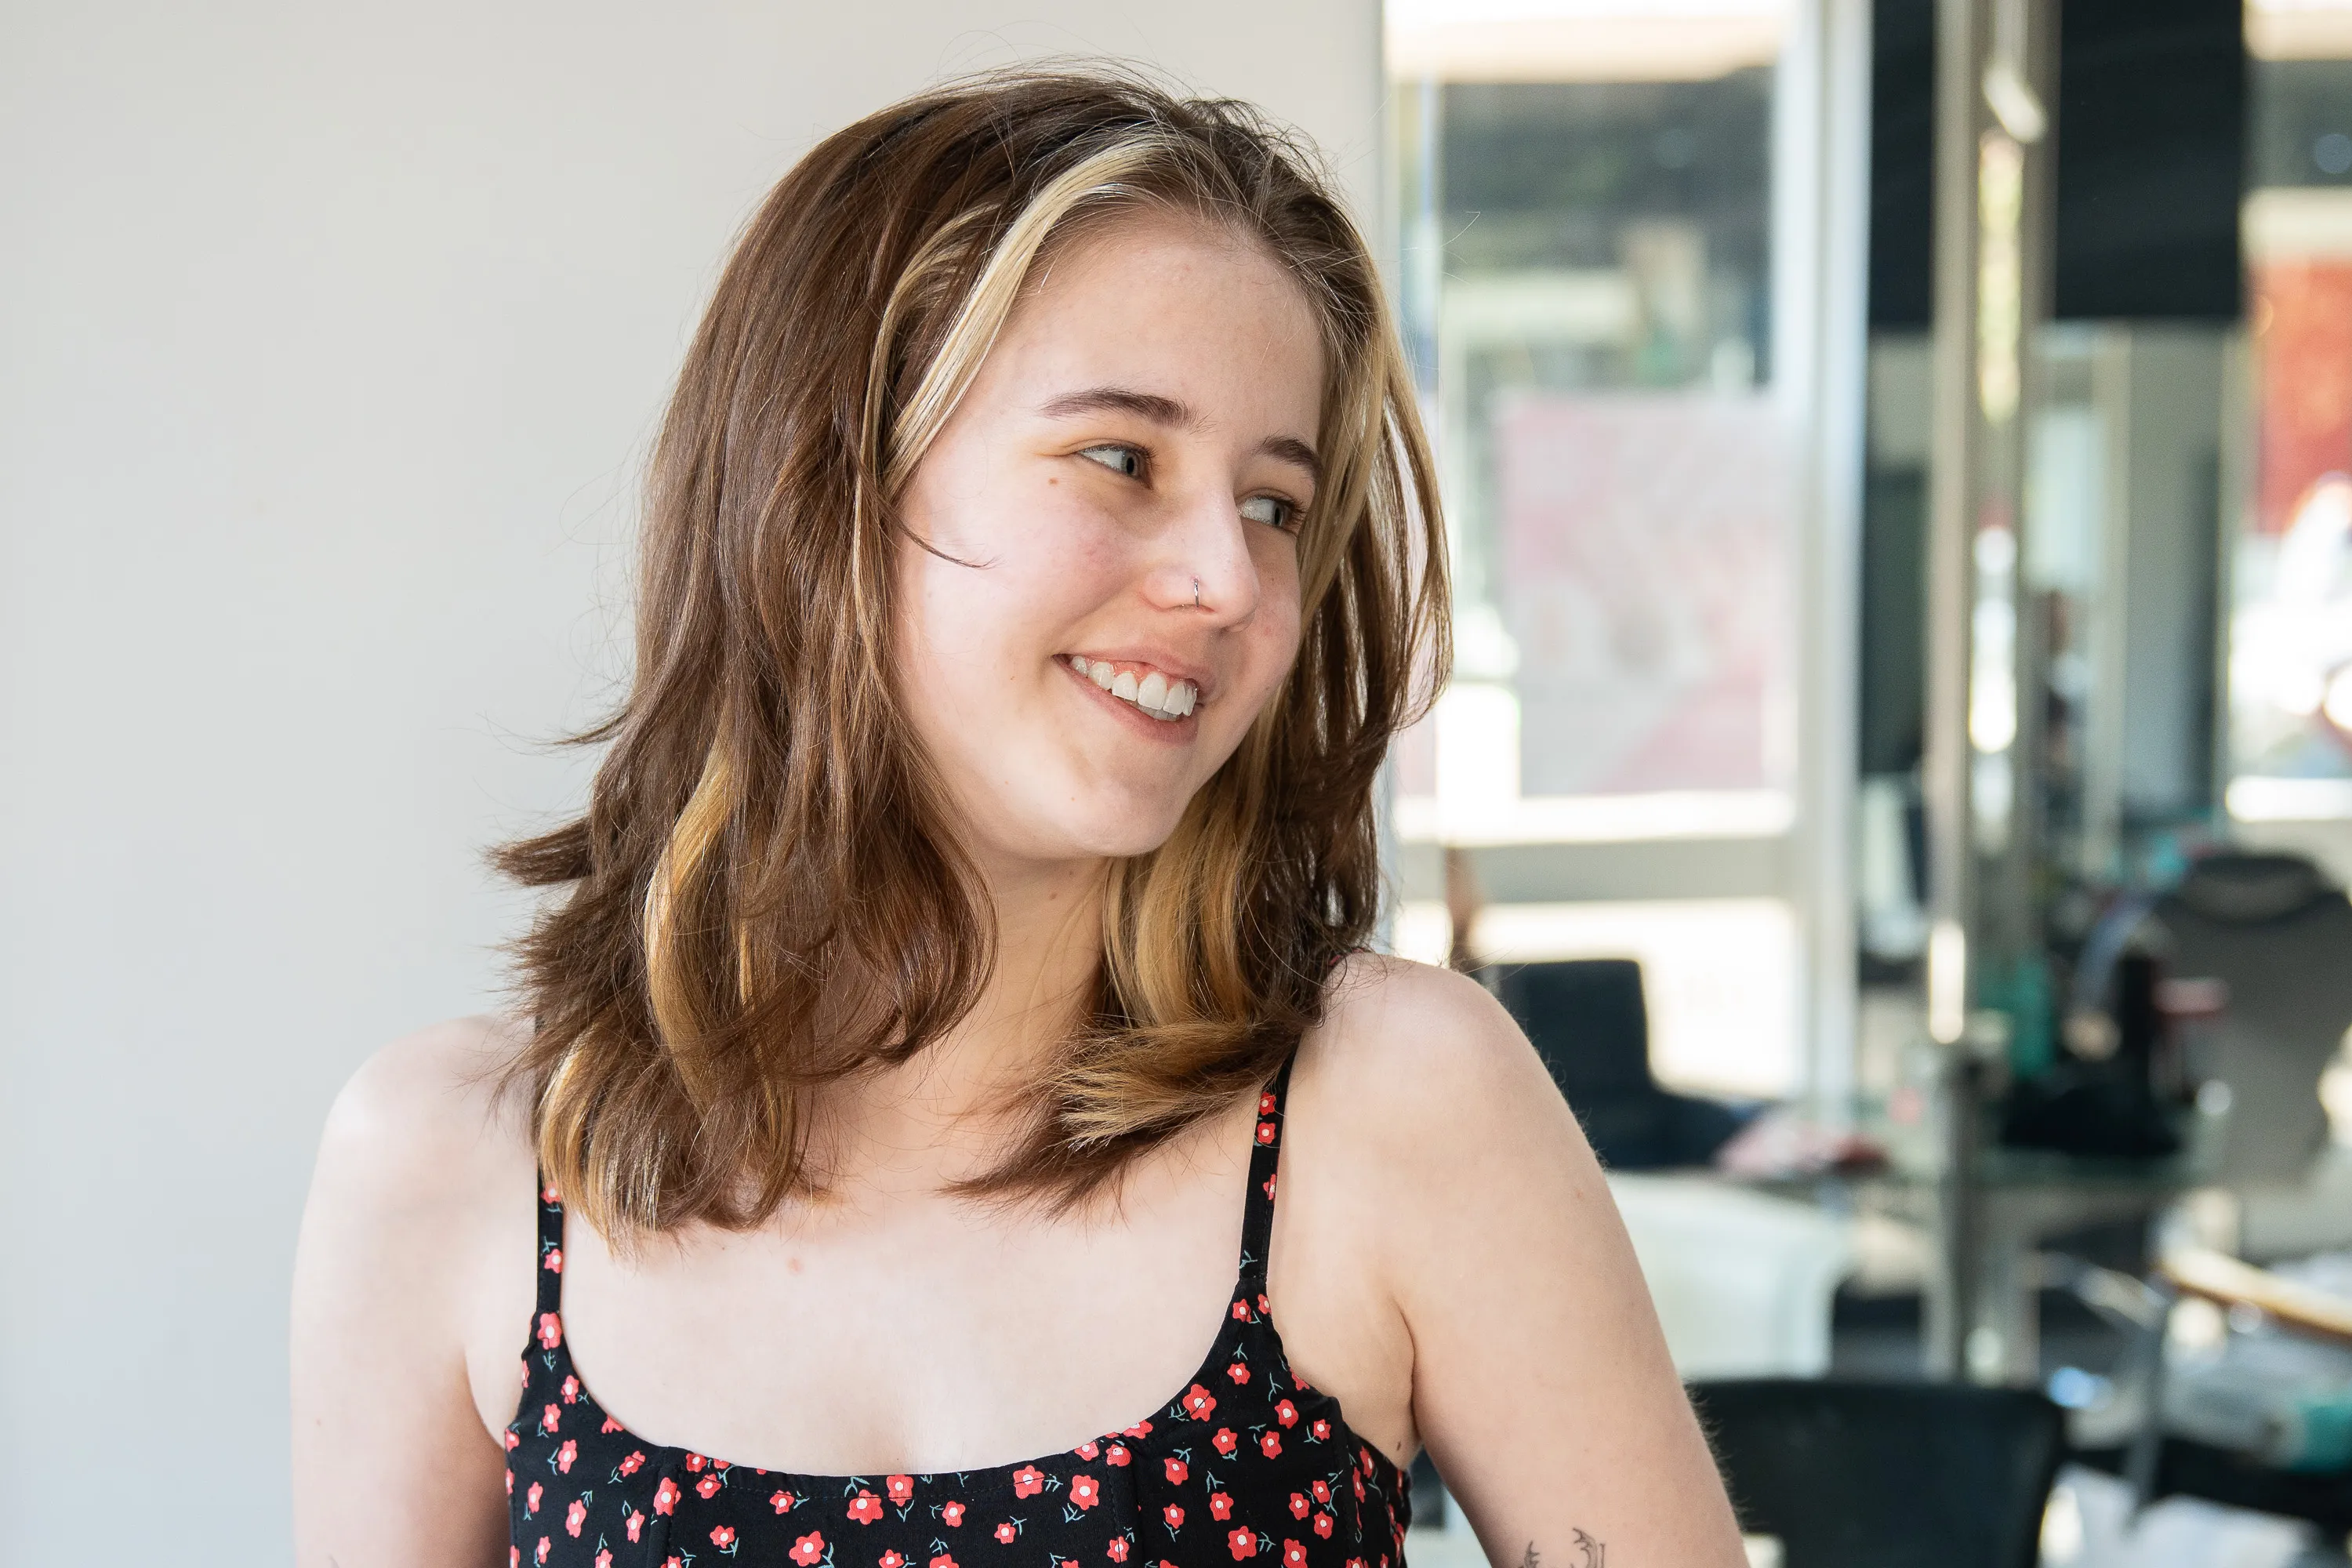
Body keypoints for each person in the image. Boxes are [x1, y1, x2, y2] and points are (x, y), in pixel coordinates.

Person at [289, 68, 1746, 1568]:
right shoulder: (450, 1164)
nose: (1231, 583)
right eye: (1123, 459)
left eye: (1274, 504)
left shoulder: (1393, 1106)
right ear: (824, 489)